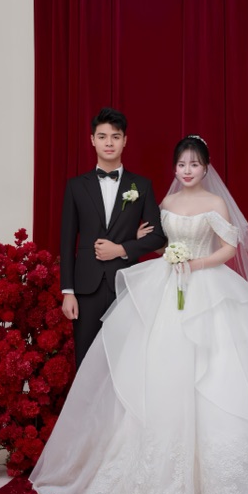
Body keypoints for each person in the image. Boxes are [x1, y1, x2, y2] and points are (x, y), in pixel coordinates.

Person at [30, 135, 248, 494]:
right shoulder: (167, 203)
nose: (187, 170)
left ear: (206, 168)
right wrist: (156, 247)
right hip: (166, 284)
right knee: (159, 371)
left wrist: (195, 264)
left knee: (217, 372)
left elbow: (229, 248)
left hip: (206, 286)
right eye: (181, 165)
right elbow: (158, 239)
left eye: (194, 164)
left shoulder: (215, 203)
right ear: (175, 168)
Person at [60, 107, 166, 368]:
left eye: (115, 137)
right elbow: (66, 241)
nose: (109, 142)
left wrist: (121, 248)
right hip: (86, 288)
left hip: (125, 285)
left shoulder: (141, 186)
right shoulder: (76, 186)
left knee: (124, 361)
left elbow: (158, 236)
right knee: (86, 362)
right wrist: (68, 291)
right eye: (103, 136)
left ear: (125, 141)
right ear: (92, 140)